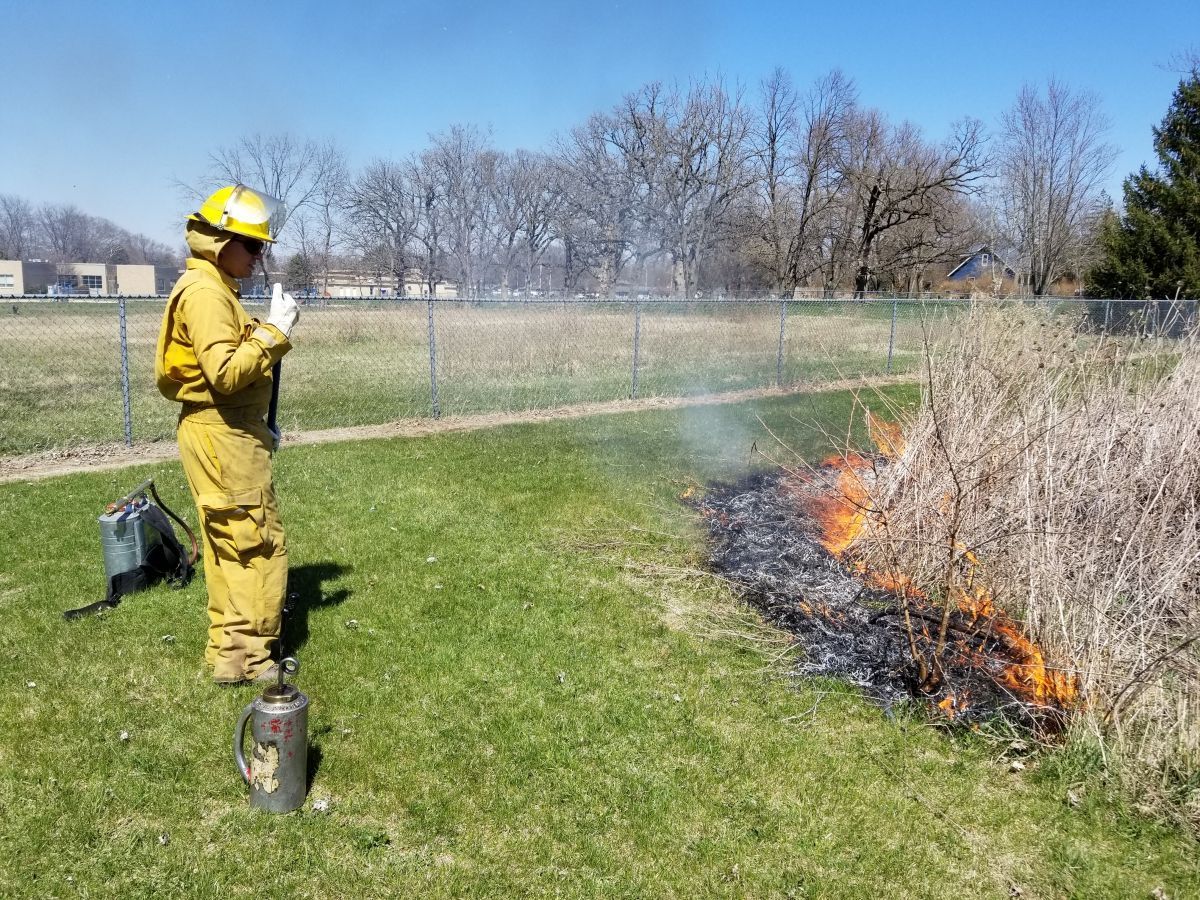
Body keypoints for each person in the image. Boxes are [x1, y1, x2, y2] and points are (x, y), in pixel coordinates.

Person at [155, 184, 299, 684]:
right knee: (257, 544)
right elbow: (224, 373)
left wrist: (261, 422)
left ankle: (228, 652)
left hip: (226, 430)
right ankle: (251, 660)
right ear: (220, 241)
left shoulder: (213, 288)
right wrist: (274, 332)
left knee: (229, 545)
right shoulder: (206, 294)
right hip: (223, 435)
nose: (259, 256)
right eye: (252, 245)